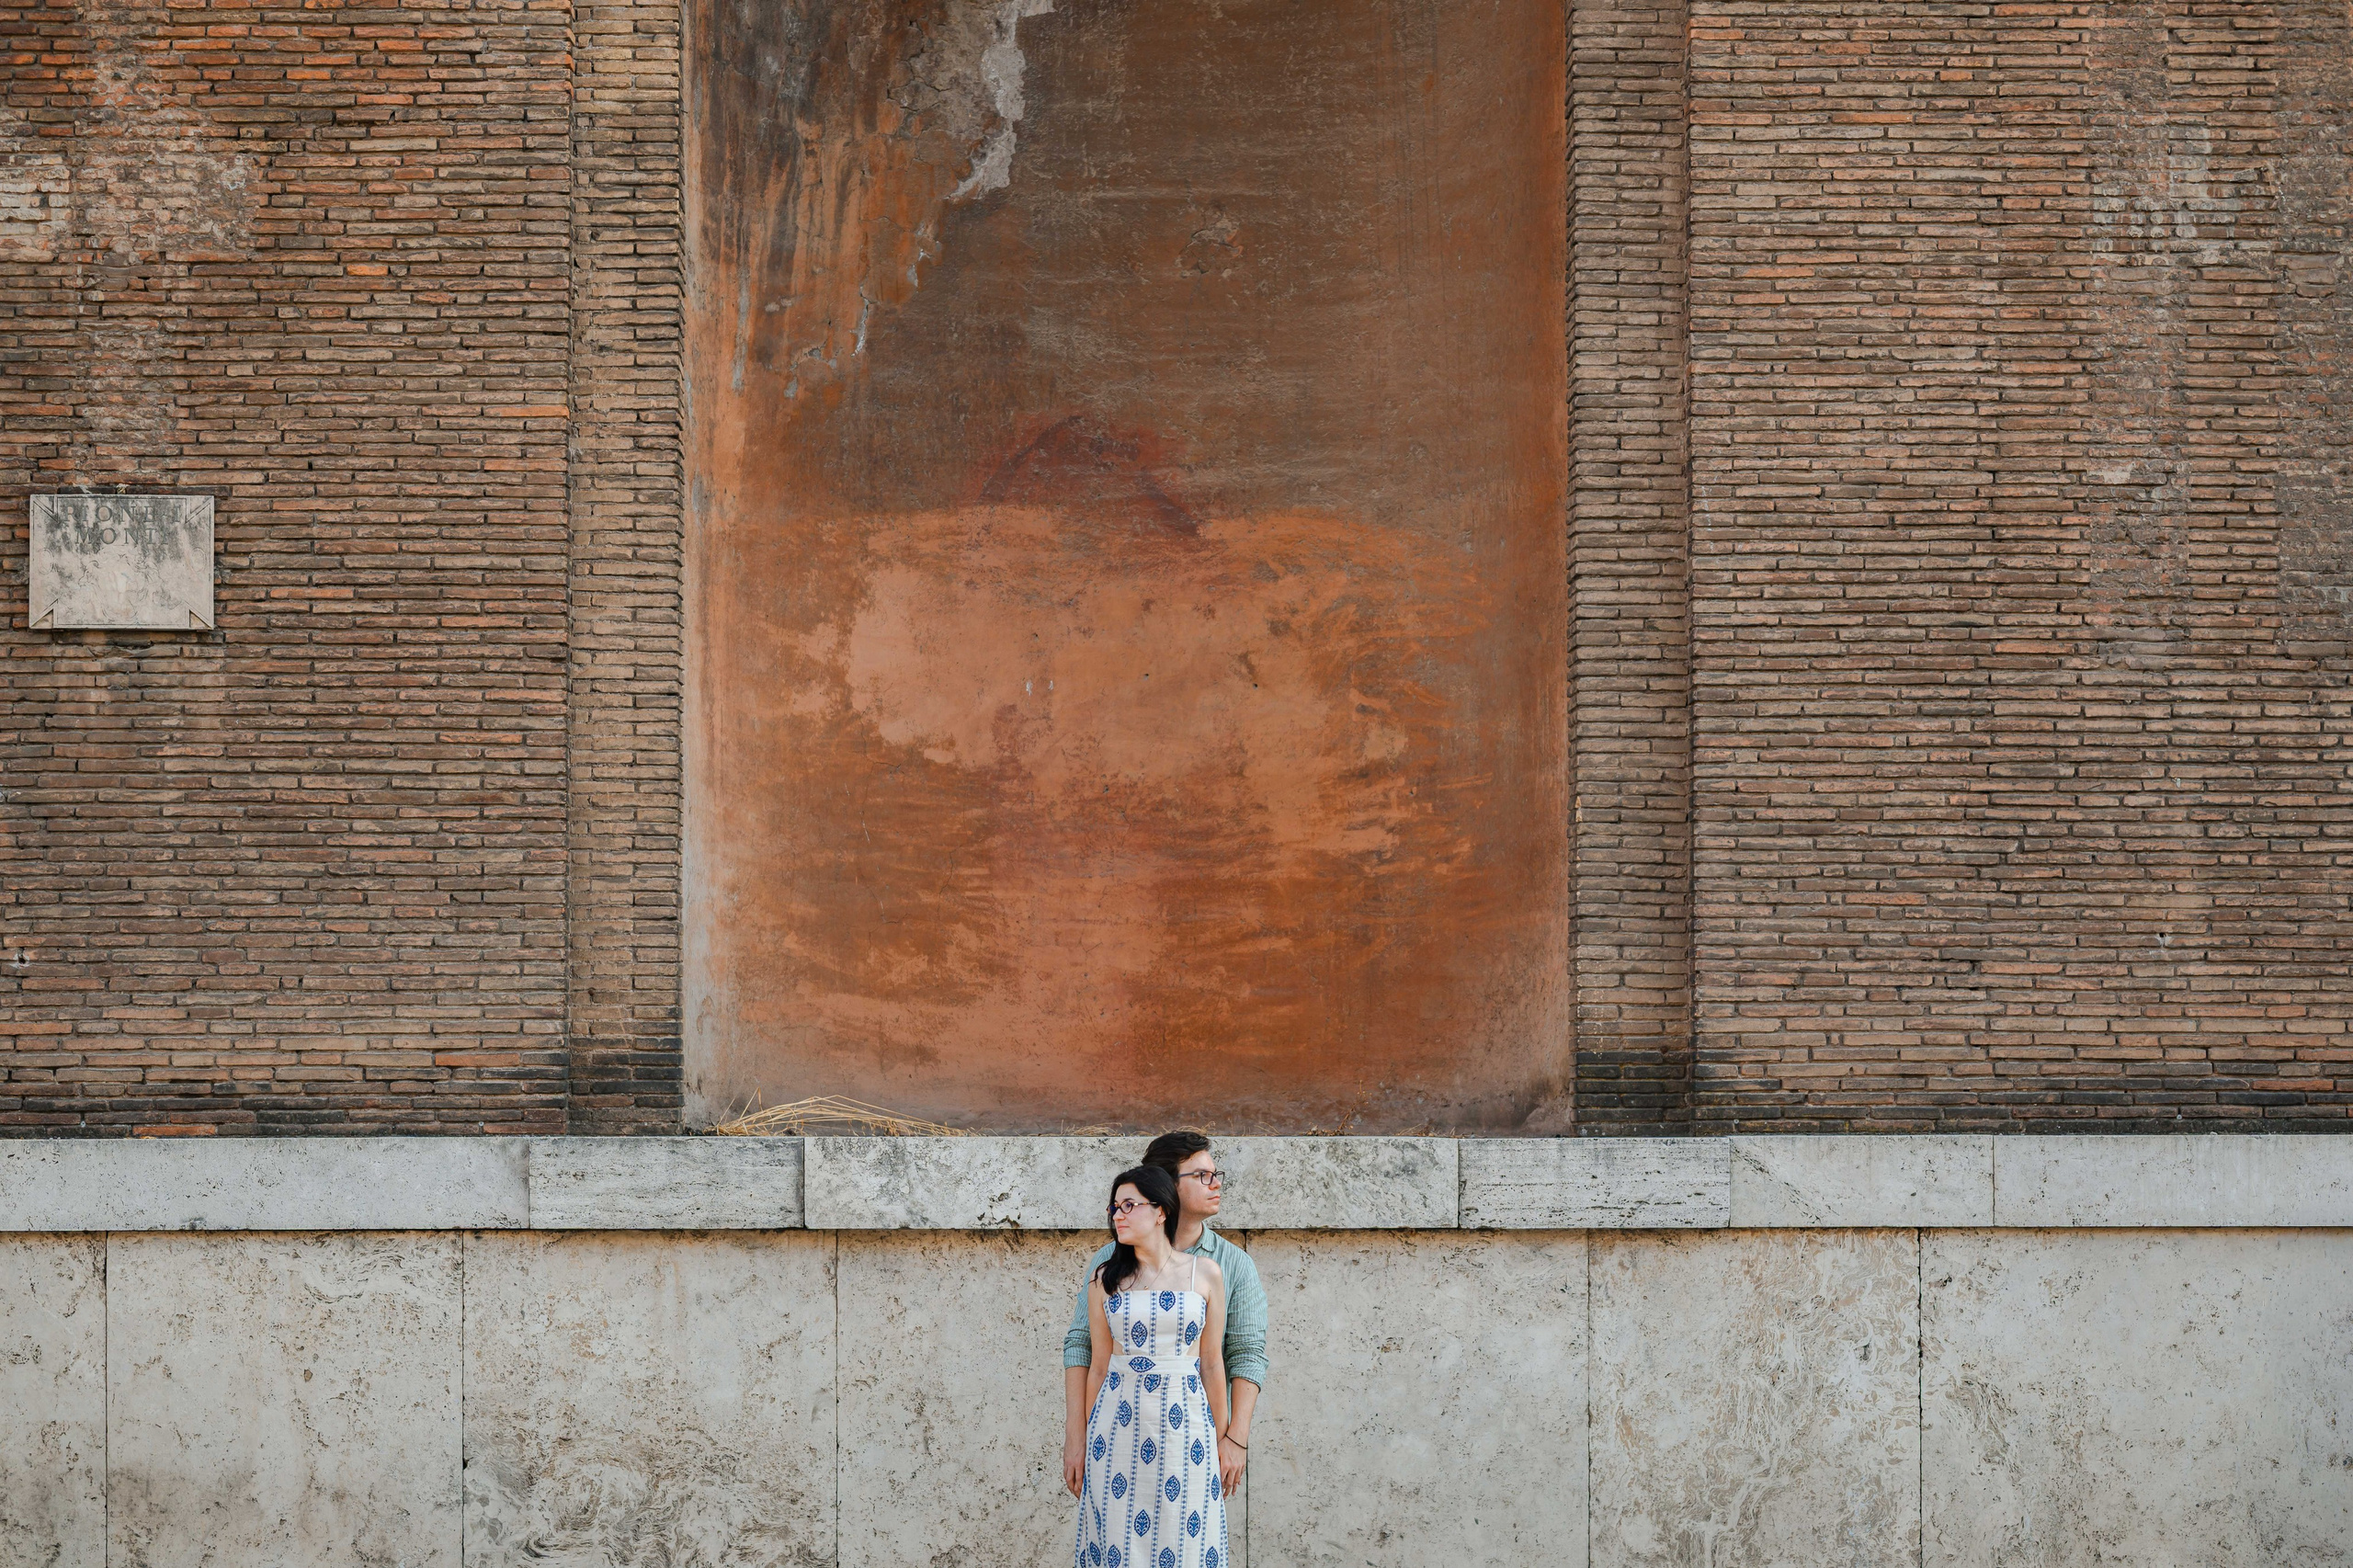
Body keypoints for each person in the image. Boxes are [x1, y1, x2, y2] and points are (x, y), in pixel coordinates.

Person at [1062, 1133, 1264, 1503]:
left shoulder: (1230, 1264)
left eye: (1216, 1174)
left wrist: (1234, 1439)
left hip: (1187, 1436)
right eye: (1201, 1175)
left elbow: (1244, 1352)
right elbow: (1083, 1347)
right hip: (1119, 1430)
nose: (1215, 1183)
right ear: (1166, 1187)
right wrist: (1078, 1436)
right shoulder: (1110, 1262)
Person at [1073, 1165, 1229, 1568]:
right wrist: (1085, 1442)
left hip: (1187, 1431)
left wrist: (1225, 1440)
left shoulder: (1205, 1274)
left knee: (1187, 1539)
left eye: (1129, 1205)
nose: (1117, 1215)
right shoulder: (1104, 1279)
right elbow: (1099, 1367)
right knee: (1118, 1544)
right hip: (1118, 1431)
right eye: (1114, 1208)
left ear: (1161, 1211)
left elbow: (1212, 1364)